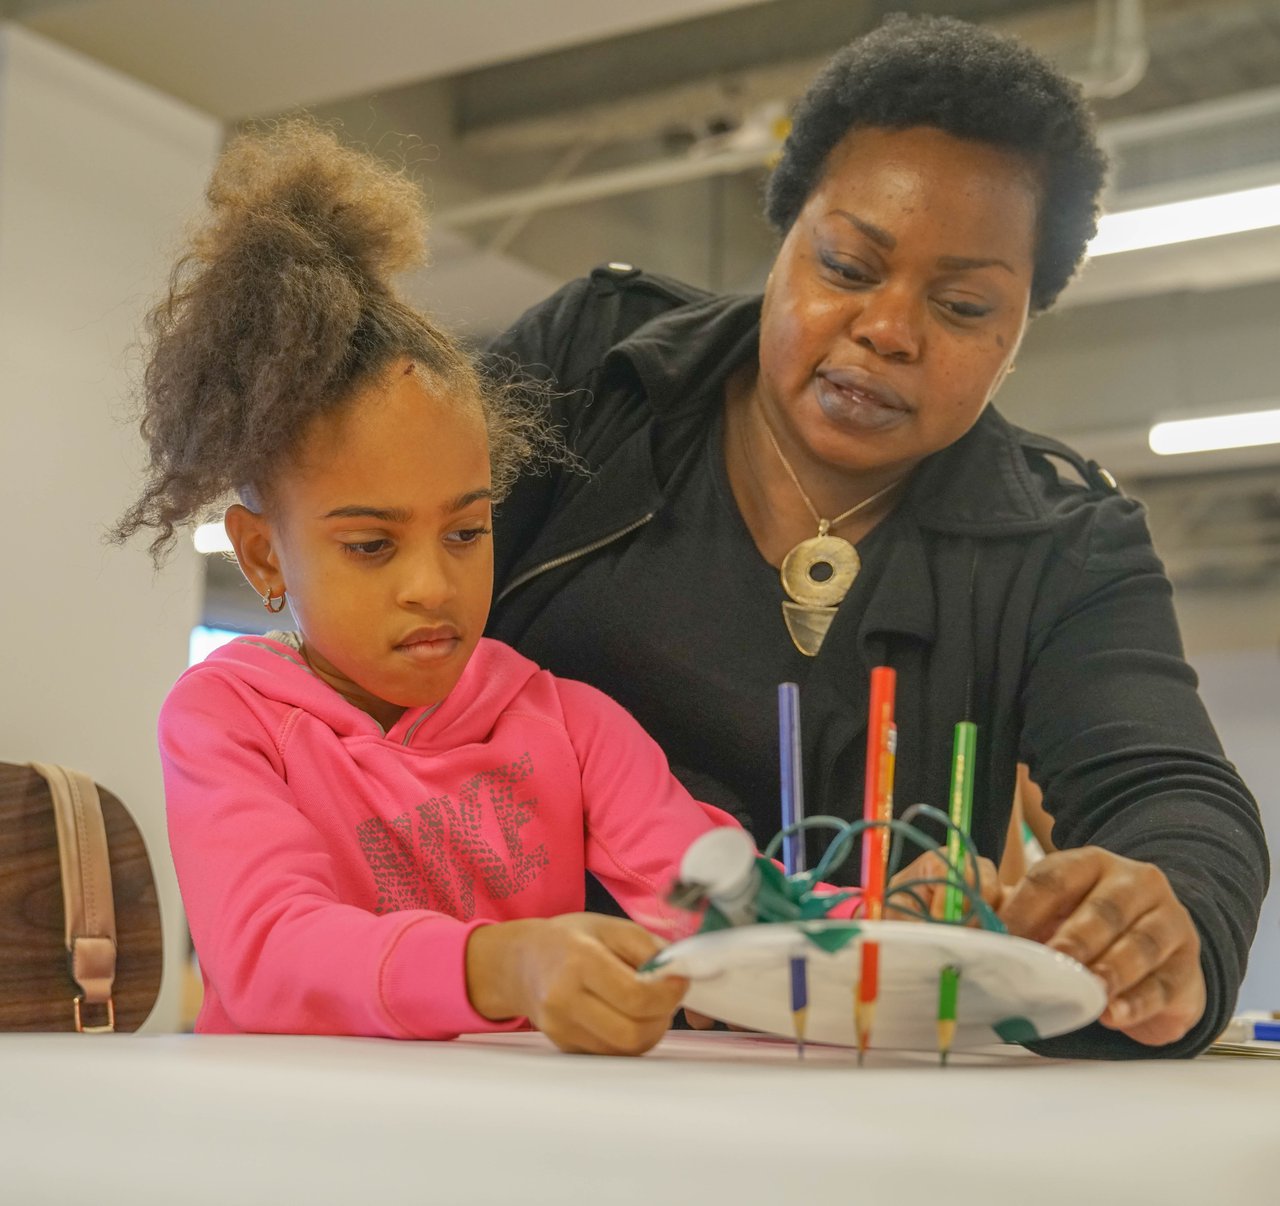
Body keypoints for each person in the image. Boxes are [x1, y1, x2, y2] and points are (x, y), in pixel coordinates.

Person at [484, 14, 1269, 1058]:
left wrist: (1166, 925)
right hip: (499, 1036)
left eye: (962, 305)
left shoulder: (1063, 545)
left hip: (838, 1089)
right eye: (848, 267)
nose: (889, 330)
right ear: (784, 234)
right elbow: (379, 617)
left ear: (1021, 327)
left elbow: (1171, 793)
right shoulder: (594, 372)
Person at [110, 121, 759, 1056]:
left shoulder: (567, 726)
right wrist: (501, 966)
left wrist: (915, 924)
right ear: (262, 557)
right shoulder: (228, 720)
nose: (432, 585)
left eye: (466, 532)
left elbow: (729, 906)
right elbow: (269, 953)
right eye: (372, 545)